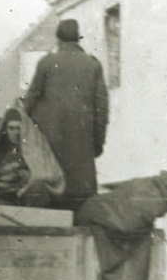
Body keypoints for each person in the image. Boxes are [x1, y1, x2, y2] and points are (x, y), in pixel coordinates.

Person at [24, 18, 109, 211]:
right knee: (81, 204)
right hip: (82, 148)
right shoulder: (92, 65)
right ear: (78, 39)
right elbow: (102, 109)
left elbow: (30, 100)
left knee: (50, 203)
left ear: (58, 39)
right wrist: (97, 143)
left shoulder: (46, 63)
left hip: (50, 148)